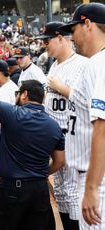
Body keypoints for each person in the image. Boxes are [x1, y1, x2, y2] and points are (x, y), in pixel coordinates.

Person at [0, 53, 65, 229]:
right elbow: (60, 160)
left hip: (12, 190)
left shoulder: (13, 114)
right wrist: (41, 173)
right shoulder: (54, 126)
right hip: (39, 189)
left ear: (24, 95)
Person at [36, 21, 89, 229]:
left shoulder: (82, 64)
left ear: (60, 37)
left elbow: (86, 101)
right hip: (55, 141)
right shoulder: (54, 66)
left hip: (73, 139)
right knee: (62, 194)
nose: (44, 45)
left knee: (75, 195)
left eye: (47, 40)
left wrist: (62, 88)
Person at [58, 2, 105, 228]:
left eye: (73, 30)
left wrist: (92, 187)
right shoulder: (96, 63)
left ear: (88, 25)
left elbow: (103, 127)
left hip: (97, 178)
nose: (72, 38)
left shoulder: (100, 63)